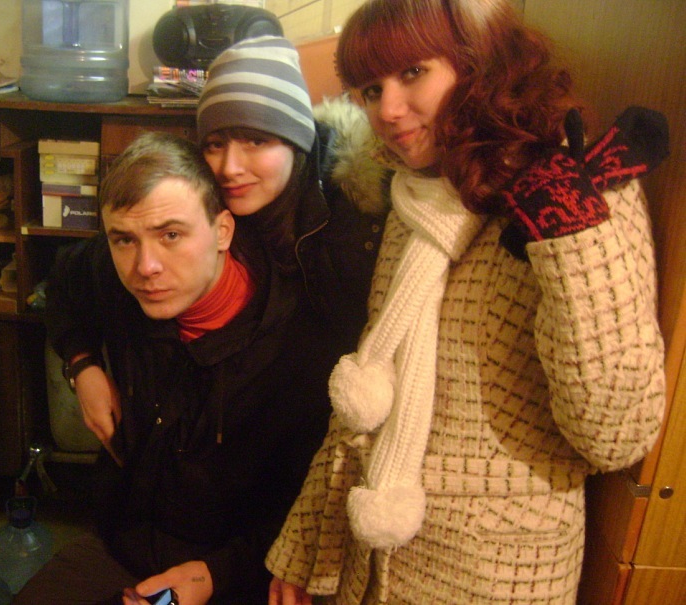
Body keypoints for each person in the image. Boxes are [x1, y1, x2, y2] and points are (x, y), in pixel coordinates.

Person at [265, 1, 670, 603]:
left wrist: (568, 228)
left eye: (412, 73)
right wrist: (303, 547)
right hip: (371, 565)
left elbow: (615, 436)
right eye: (371, 89)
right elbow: (372, 397)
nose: (388, 110)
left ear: (480, 62)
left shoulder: (585, 185)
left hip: (498, 576)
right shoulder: (414, 194)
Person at [19, 131, 336, 604]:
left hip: (236, 573)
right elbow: (64, 284)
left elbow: (309, 507)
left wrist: (216, 575)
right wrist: (83, 367)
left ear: (222, 231)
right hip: (121, 540)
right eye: (124, 240)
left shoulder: (296, 347)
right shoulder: (113, 271)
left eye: (171, 235)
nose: (146, 267)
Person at [50, 34, 391, 462]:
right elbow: (71, 276)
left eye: (256, 140)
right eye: (215, 144)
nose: (229, 168)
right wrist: (82, 366)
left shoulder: (352, 225)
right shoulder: (207, 211)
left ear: (295, 141)